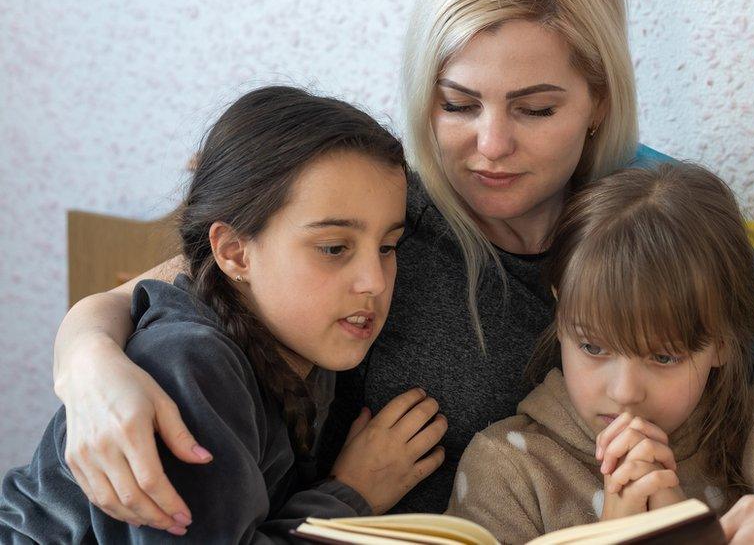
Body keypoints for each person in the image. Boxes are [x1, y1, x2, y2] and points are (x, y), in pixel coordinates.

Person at [48, 0, 754, 542]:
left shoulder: (628, 242)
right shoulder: (382, 208)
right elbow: (181, 285)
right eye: (457, 103)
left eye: (536, 108)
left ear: (598, 107)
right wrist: (85, 361)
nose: (491, 145)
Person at [0, 86, 448, 542]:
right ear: (234, 253)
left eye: (388, 247)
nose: (374, 280)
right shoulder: (191, 364)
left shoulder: (300, 339)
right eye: (334, 248)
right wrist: (351, 495)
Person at [445, 164, 754, 544]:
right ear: (559, 308)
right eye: (593, 347)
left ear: (720, 342)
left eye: (663, 358)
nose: (625, 392)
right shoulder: (509, 467)